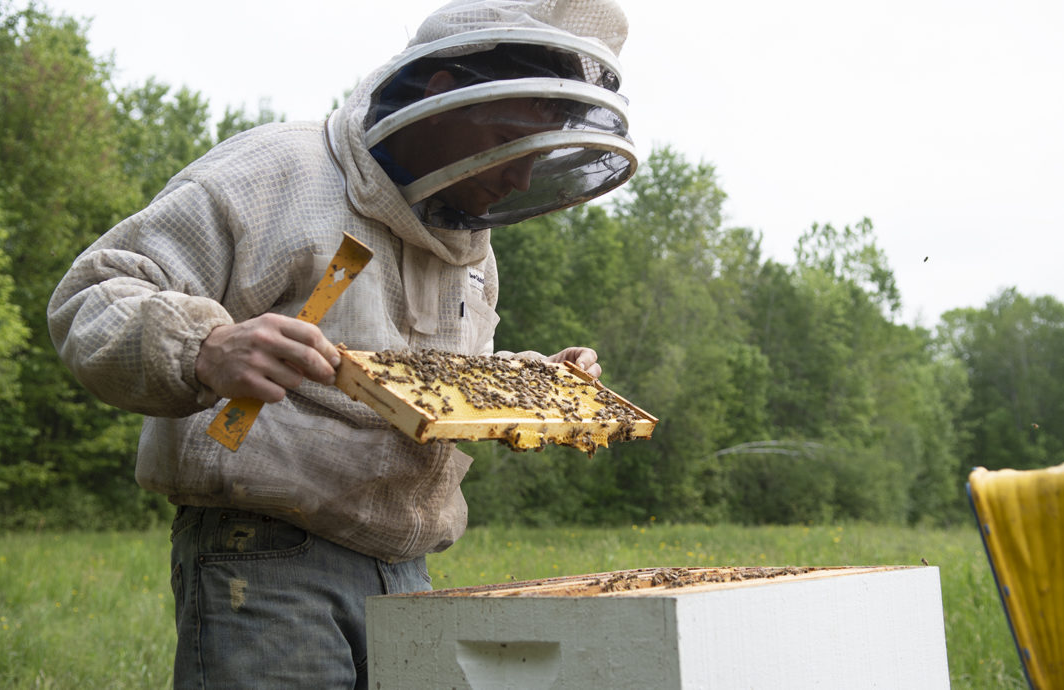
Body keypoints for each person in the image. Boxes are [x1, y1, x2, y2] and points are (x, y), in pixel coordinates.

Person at [47, 0, 636, 687]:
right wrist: (204, 347)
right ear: (444, 97)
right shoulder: (280, 170)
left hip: (407, 569)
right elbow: (93, 295)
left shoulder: (471, 250)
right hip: (267, 559)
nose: (521, 176)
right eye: (513, 142)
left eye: (538, 152)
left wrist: (538, 379)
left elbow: (429, 379)